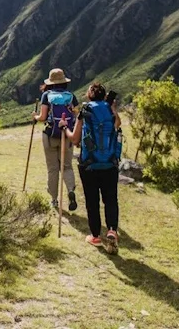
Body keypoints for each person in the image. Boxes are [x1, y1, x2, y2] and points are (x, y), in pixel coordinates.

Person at [61, 82, 122, 252]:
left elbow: (74, 139)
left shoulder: (85, 111)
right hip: (110, 163)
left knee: (92, 200)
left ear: (89, 96)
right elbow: (118, 125)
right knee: (111, 199)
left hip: (89, 165)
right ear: (103, 96)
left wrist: (65, 128)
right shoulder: (110, 110)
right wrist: (112, 108)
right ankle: (112, 230)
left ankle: (95, 236)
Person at [32, 68, 78, 211]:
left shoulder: (47, 95)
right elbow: (76, 116)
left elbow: (43, 117)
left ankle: (54, 200)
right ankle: (70, 190)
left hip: (50, 135)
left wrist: (35, 116)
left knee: (53, 169)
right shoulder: (71, 96)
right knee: (67, 166)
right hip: (67, 134)